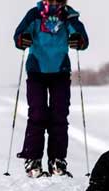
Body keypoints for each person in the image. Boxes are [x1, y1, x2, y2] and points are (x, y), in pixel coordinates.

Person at [13, 0, 89, 178]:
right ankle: (33, 159)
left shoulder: (69, 16)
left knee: (59, 116)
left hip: (60, 72)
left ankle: (57, 160)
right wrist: (22, 39)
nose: (55, 3)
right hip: (37, 71)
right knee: (38, 115)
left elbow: (82, 38)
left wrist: (79, 40)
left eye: (59, 0)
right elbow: (18, 35)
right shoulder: (34, 14)